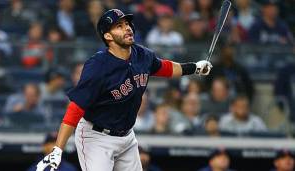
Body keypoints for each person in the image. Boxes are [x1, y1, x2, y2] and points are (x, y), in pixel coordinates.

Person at [36, 9, 212, 171]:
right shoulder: (98, 66)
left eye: (127, 24)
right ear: (108, 36)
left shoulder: (142, 55)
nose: (127, 28)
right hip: (96, 137)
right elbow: (76, 108)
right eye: (119, 26)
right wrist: (58, 149)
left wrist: (195, 68)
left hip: (126, 136)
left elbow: (164, 67)